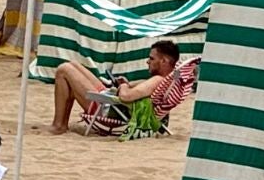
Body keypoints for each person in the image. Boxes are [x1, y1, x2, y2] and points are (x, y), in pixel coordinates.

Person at [49, 38, 198, 136]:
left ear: (164, 61)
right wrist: (125, 84)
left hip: (107, 109)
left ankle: (59, 125)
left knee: (64, 69)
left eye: (151, 59)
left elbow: (126, 97)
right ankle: (61, 123)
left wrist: (124, 87)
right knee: (73, 65)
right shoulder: (165, 81)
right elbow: (137, 88)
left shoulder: (157, 80)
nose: (147, 61)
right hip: (111, 103)